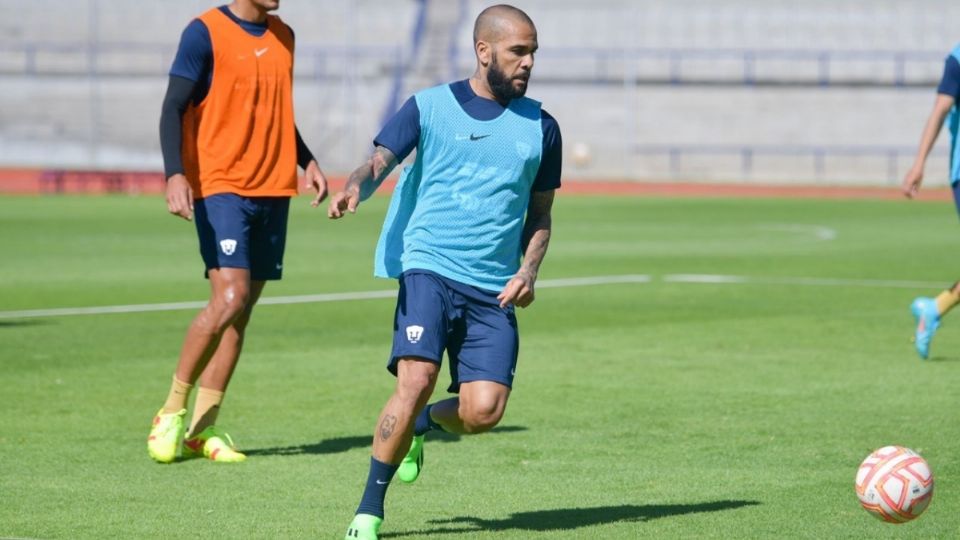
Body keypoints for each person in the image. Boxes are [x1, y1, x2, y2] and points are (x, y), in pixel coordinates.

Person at [328, 5, 562, 538]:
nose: (527, 63)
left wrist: (528, 269)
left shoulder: (542, 127)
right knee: (416, 378)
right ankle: (368, 511)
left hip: (492, 286)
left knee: (484, 411)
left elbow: (541, 212)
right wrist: (354, 189)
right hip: (428, 267)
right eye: (517, 52)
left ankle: (421, 426)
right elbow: (377, 164)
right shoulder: (429, 107)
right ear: (484, 52)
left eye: (532, 54)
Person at [147, 0, 328, 464]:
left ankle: (202, 431)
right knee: (229, 297)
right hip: (221, 185)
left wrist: (305, 159)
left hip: (273, 188)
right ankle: (170, 412)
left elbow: (273, 112)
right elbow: (173, 105)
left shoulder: (284, 35)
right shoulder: (203, 32)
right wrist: (174, 173)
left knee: (240, 312)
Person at [902, 43, 960, 360]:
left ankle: (934, 309)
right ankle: (934, 309)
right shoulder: (958, 59)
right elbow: (939, 110)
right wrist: (918, 163)